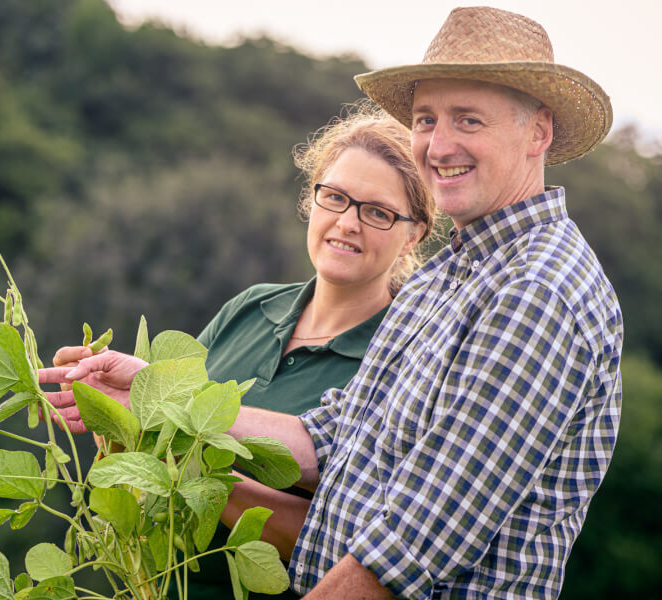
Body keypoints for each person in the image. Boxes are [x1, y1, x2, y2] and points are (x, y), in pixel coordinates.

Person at [44, 7, 624, 597]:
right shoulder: (447, 278)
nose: (439, 144)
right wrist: (154, 397)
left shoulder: (537, 289)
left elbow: (411, 547)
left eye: (468, 120)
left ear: (538, 132)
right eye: (426, 118)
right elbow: (342, 435)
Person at [42, 104, 436, 598]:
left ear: (413, 233)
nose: (347, 223)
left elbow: (357, 547)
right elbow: (155, 459)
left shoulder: (412, 353)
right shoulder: (251, 307)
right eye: (335, 197)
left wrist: (202, 475)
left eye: (377, 212)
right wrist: (123, 418)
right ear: (312, 199)